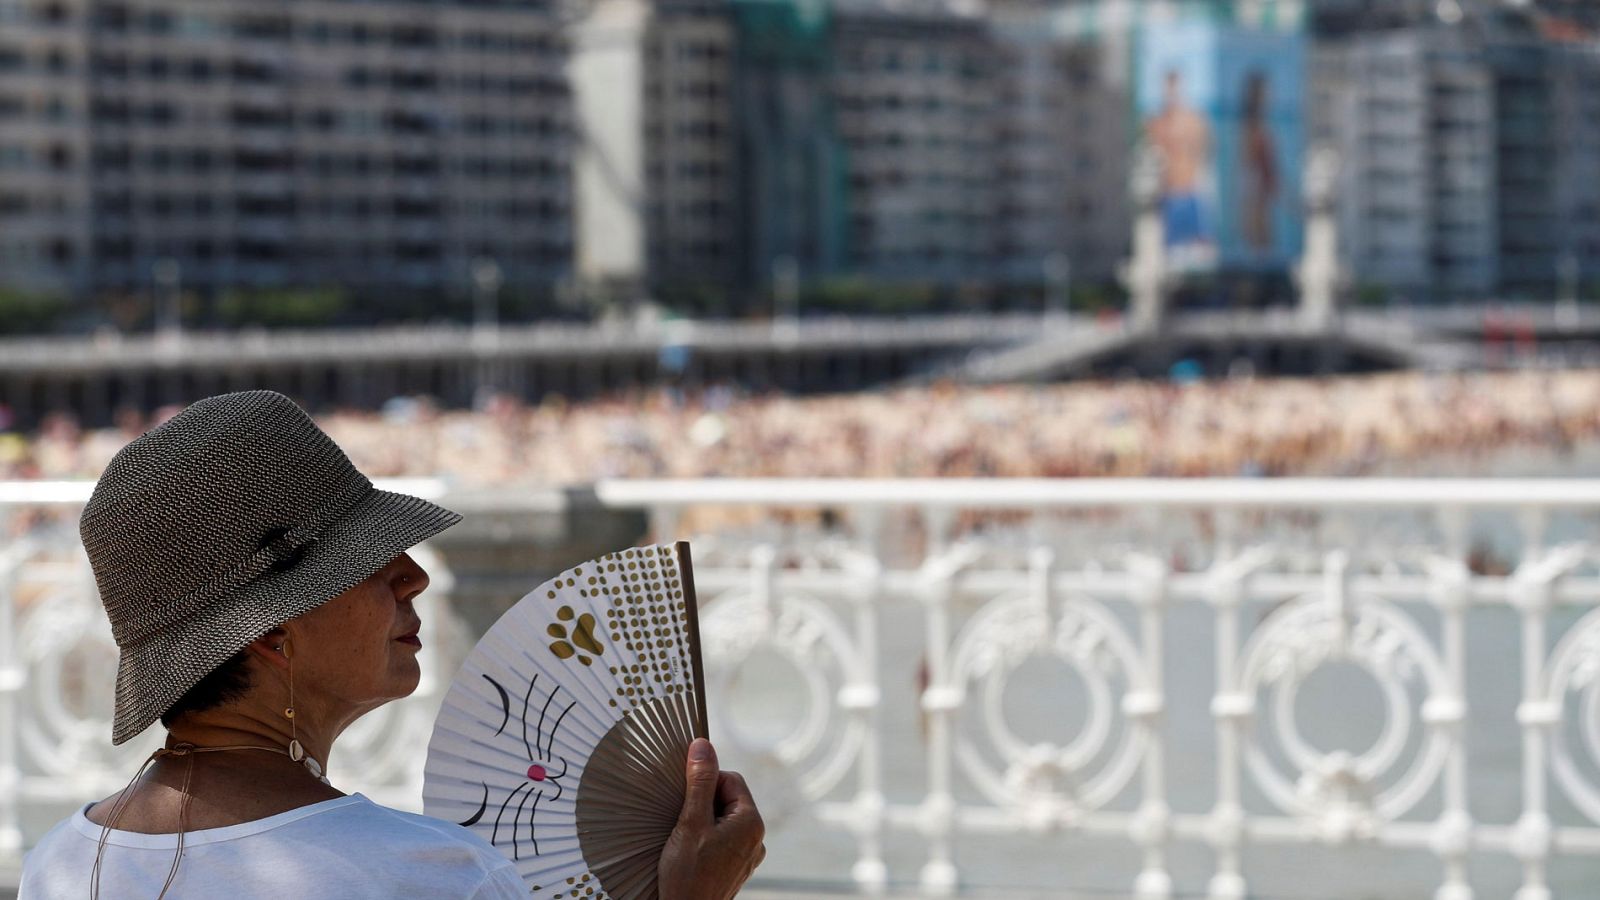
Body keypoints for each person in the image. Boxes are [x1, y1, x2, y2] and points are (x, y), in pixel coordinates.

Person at [18, 390, 764, 899]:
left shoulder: (63, 863)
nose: (412, 577)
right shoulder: (432, 874)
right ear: (274, 629)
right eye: (367, 562)